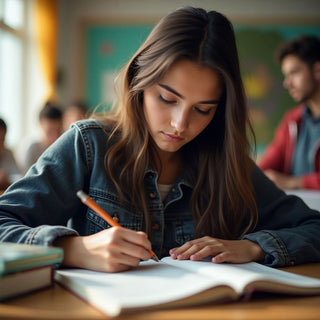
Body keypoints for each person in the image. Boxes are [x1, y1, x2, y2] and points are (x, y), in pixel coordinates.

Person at [0, 7, 319, 274]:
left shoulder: (228, 164)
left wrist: (252, 247)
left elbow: (313, 227)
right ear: (139, 82)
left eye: (203, 109)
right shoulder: (89, 145)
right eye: (167, 99)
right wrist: (72, 249)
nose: (181, 124)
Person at [258, 35, 320, 190]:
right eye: (286, 76)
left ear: (318, 70)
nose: (287, 83)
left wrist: (293, 183)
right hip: (298, 211)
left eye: (294, 73)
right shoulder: (292, 119)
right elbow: (267, 165)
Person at [18, 101, 63, 173]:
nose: (55, 136)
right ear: (40, 125)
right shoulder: (30, 146)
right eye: (49, 131)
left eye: (58, 131)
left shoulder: (63, 145)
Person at [0, 118, 22, 190]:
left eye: (2, 139)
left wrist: (6, 179)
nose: (1, 145)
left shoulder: (8, 153)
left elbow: (19, 178)